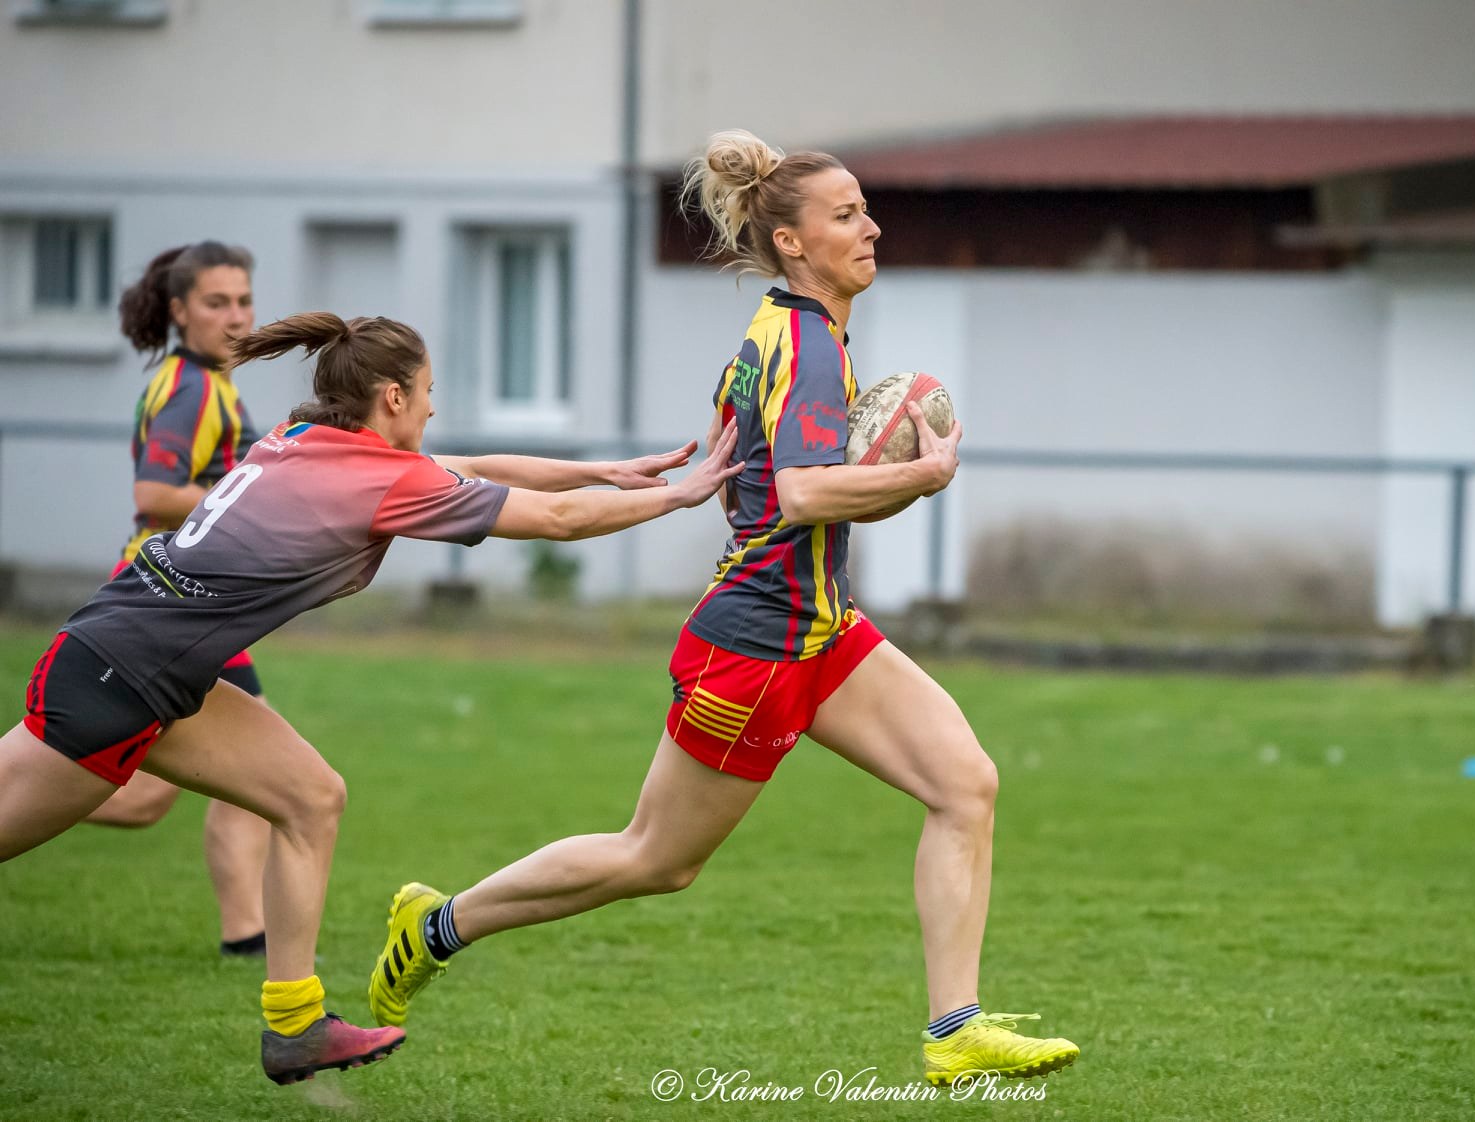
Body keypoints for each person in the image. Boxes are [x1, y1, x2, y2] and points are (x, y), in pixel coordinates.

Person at [367, 130, 1081, 1087]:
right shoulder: (803, 346)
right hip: (754, 641)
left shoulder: (788, 331)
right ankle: (438, 924)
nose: (871, 227)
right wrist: (918, 474)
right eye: (845, 215)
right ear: (791, 243)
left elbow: (744, 462)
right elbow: (800, 494)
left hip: (819, 625)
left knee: (965, 785)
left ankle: (954, 1029)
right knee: (656, 858)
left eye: (865, 209)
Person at [0, 311, 741, 1086]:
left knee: (310, 798)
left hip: (145, 665)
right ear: (391, 396)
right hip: (114, 675)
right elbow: (549, 521)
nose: (429, 409)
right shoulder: (379, 476)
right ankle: (294, 1025)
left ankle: (295, 1028)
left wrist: (609, 473)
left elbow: (475, 464)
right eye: (425, 394)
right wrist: (679, 497)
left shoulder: (307, 443)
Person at [85, 241, 273, 957]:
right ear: (179, 310)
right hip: (170, 605)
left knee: (222, 781)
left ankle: (245, 935)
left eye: (244, 300)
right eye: (217, 302)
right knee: (152, 793)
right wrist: (246, 507)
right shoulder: (193, 389)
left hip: (194, 606)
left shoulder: (209, 381)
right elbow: (155, 495)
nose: (235, 317)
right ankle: (249, 938)